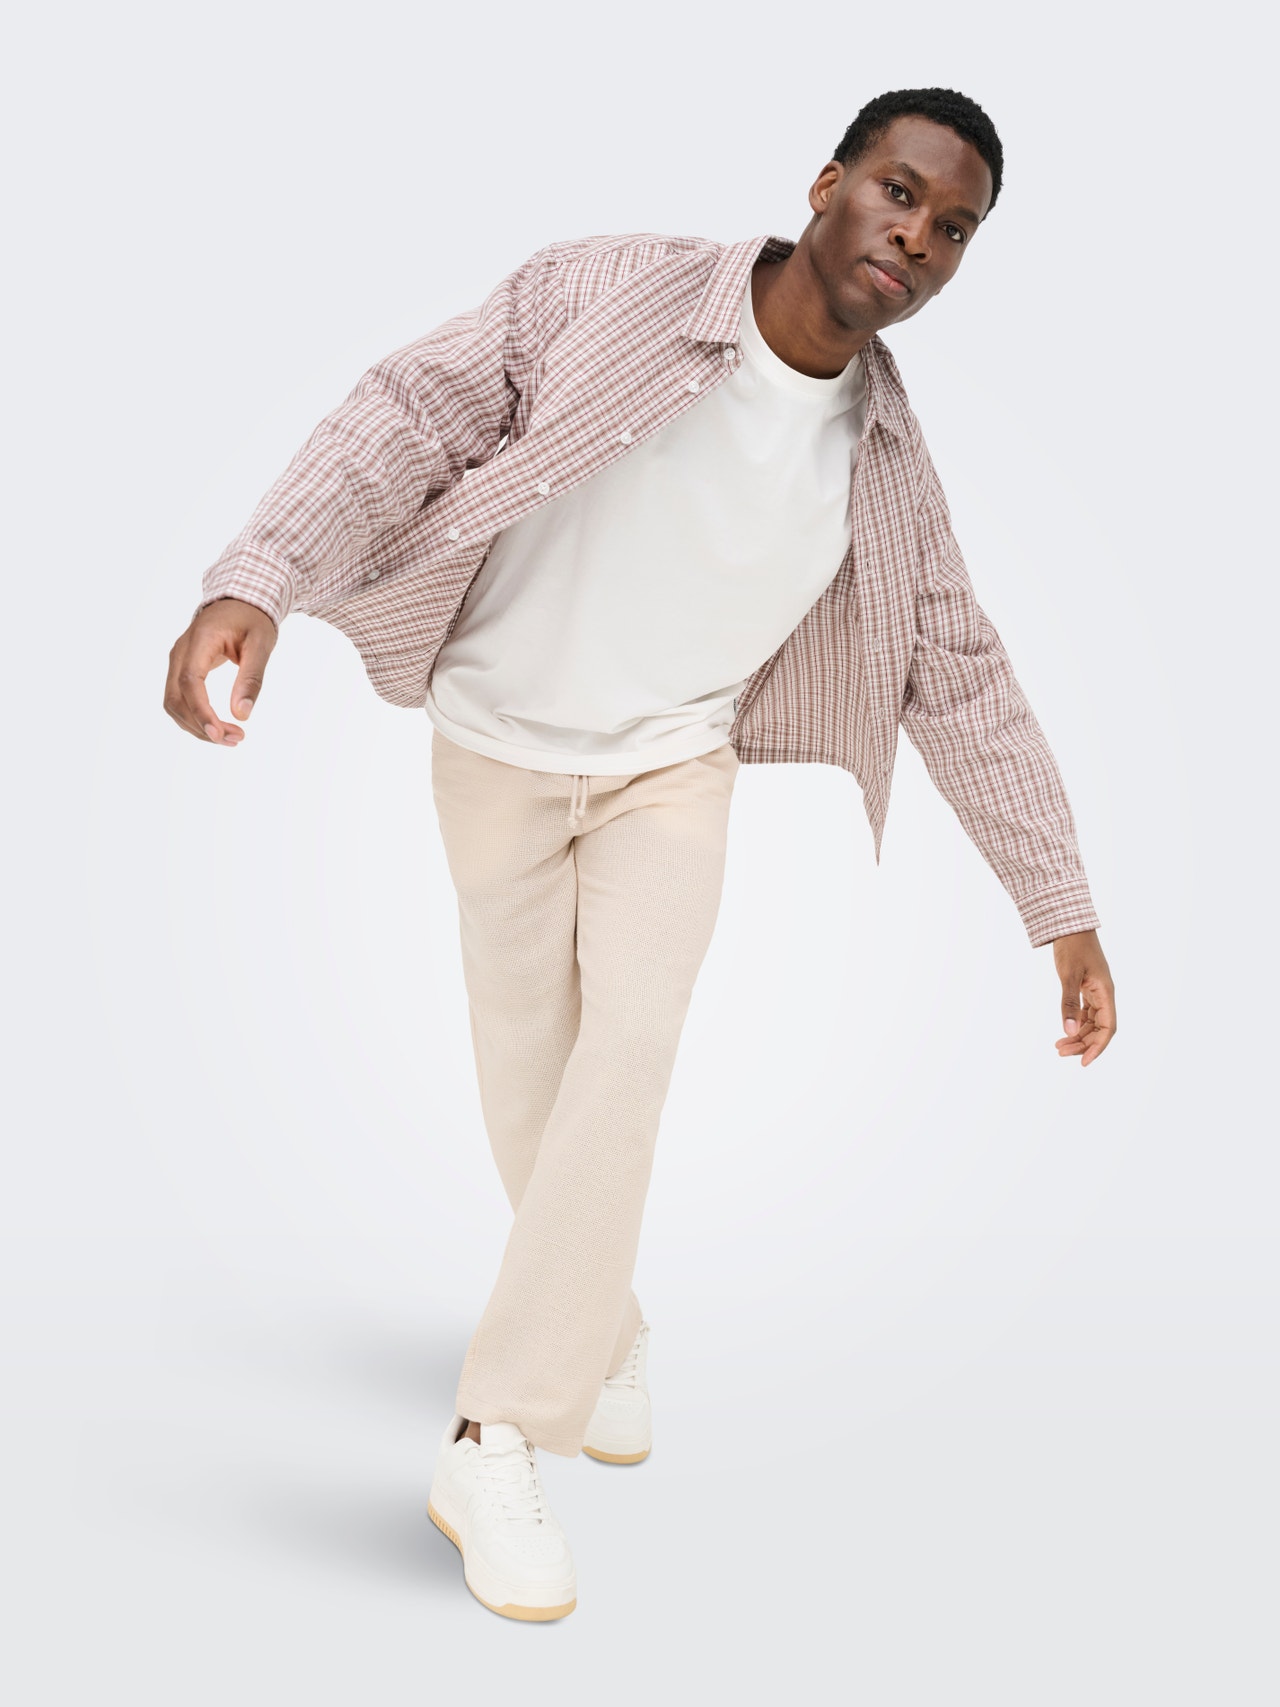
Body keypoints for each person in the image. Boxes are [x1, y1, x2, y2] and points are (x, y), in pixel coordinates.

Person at [163, 85, 1118, 1622]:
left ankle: (494, 1436)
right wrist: (258, 578)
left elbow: (962, 675)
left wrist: (1058, 906)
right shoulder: (602, 292)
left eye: (954, 230)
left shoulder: (886, 466)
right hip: (493, 741)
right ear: (827, 181)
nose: (916, 238)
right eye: (899, 192)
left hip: (674, 766)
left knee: (629, 1058)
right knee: (530, 1084)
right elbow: (408, 412)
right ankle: (599, 1321)